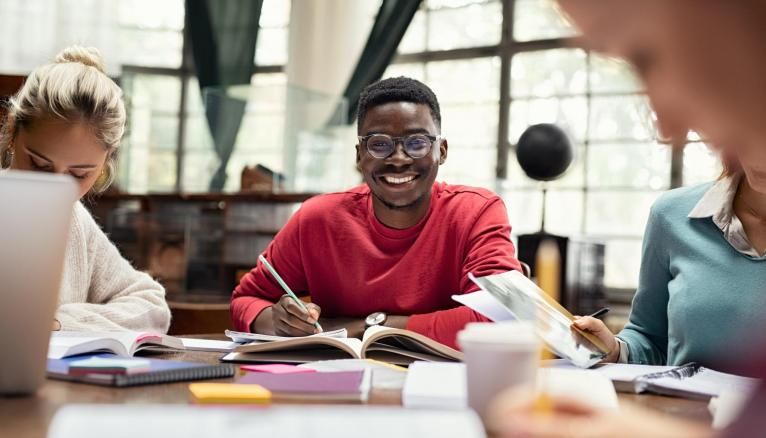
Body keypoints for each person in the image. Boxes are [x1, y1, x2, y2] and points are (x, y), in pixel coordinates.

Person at [489, 1, 766, 436]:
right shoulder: (673, 216)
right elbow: (650, 342)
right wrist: (615, 351)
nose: (667, 126)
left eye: (648, 57)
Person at [231, 77, 522, 349]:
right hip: (338, 391)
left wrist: (372, 327)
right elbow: (247, 298)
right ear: (359, 155)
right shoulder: (317, 218)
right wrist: (277, 322)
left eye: (417, 143)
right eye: (379, 144)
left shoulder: (477, 211)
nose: (398, 159)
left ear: (442, 151)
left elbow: (501, 317)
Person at [0, 46, 171, 333]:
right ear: (12, 130)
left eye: (79, 174)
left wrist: (60, 323)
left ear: (105, 162)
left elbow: (152, 307)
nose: (56, 188)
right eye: (40, 165)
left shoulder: (75, 223)